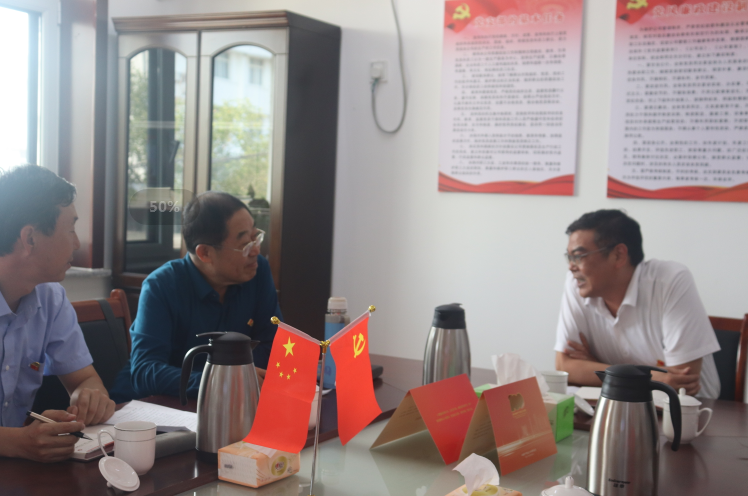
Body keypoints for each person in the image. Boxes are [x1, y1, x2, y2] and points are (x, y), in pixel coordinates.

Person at [0, 165, 116, 462]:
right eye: (71, 229)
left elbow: (85, 379)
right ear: (30, 238)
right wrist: (16, 442)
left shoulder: (50, 297)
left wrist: (90, 396)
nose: (77, 243)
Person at [555, 209, 721, 398]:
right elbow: (564, 366)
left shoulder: (670, 281)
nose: (571, 266)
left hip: (696, 411)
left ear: (618, 255)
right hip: (618, 405)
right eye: (569, 257)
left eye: (579, 256)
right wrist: (653, 377)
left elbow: (679, 384)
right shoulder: (577, 283)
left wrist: (597, 367)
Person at [129, 191, 281, 398]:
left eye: (256, 237)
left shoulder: (256, 270)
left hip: (239, 402)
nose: (256, 251)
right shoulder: (161, 286)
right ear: (205, 253)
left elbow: (274, 344)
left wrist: (238, 379)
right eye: (245, 245)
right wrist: (223, 380)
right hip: (172, 407)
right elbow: (145, 372)